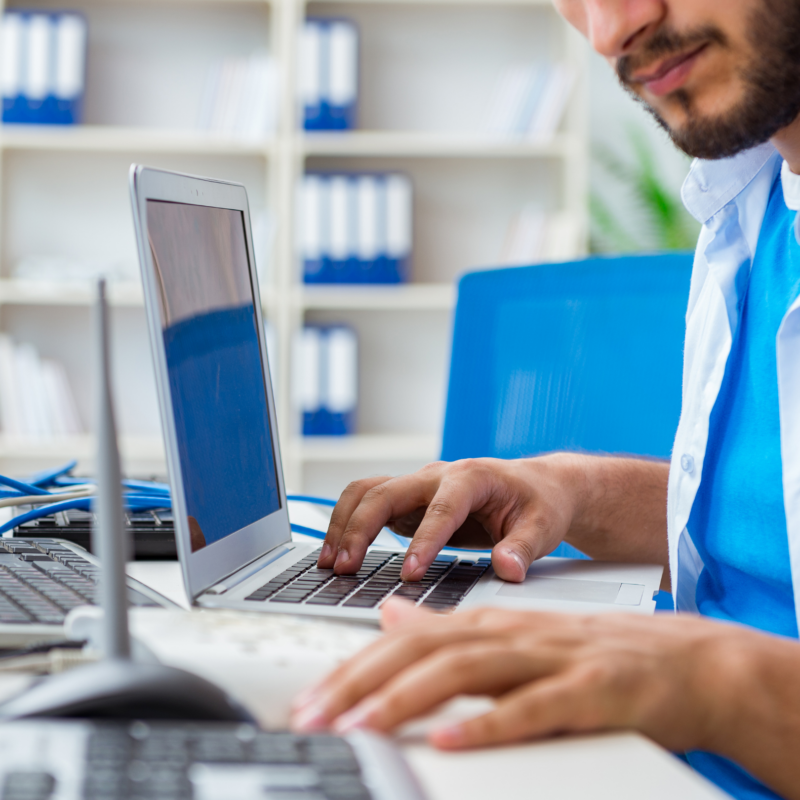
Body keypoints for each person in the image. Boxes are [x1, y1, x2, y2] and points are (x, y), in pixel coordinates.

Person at [291, 0, 800, 798]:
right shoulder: (753, 195)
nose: (609, 31)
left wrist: (716, 681)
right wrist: (568, 489)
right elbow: (774, 530)